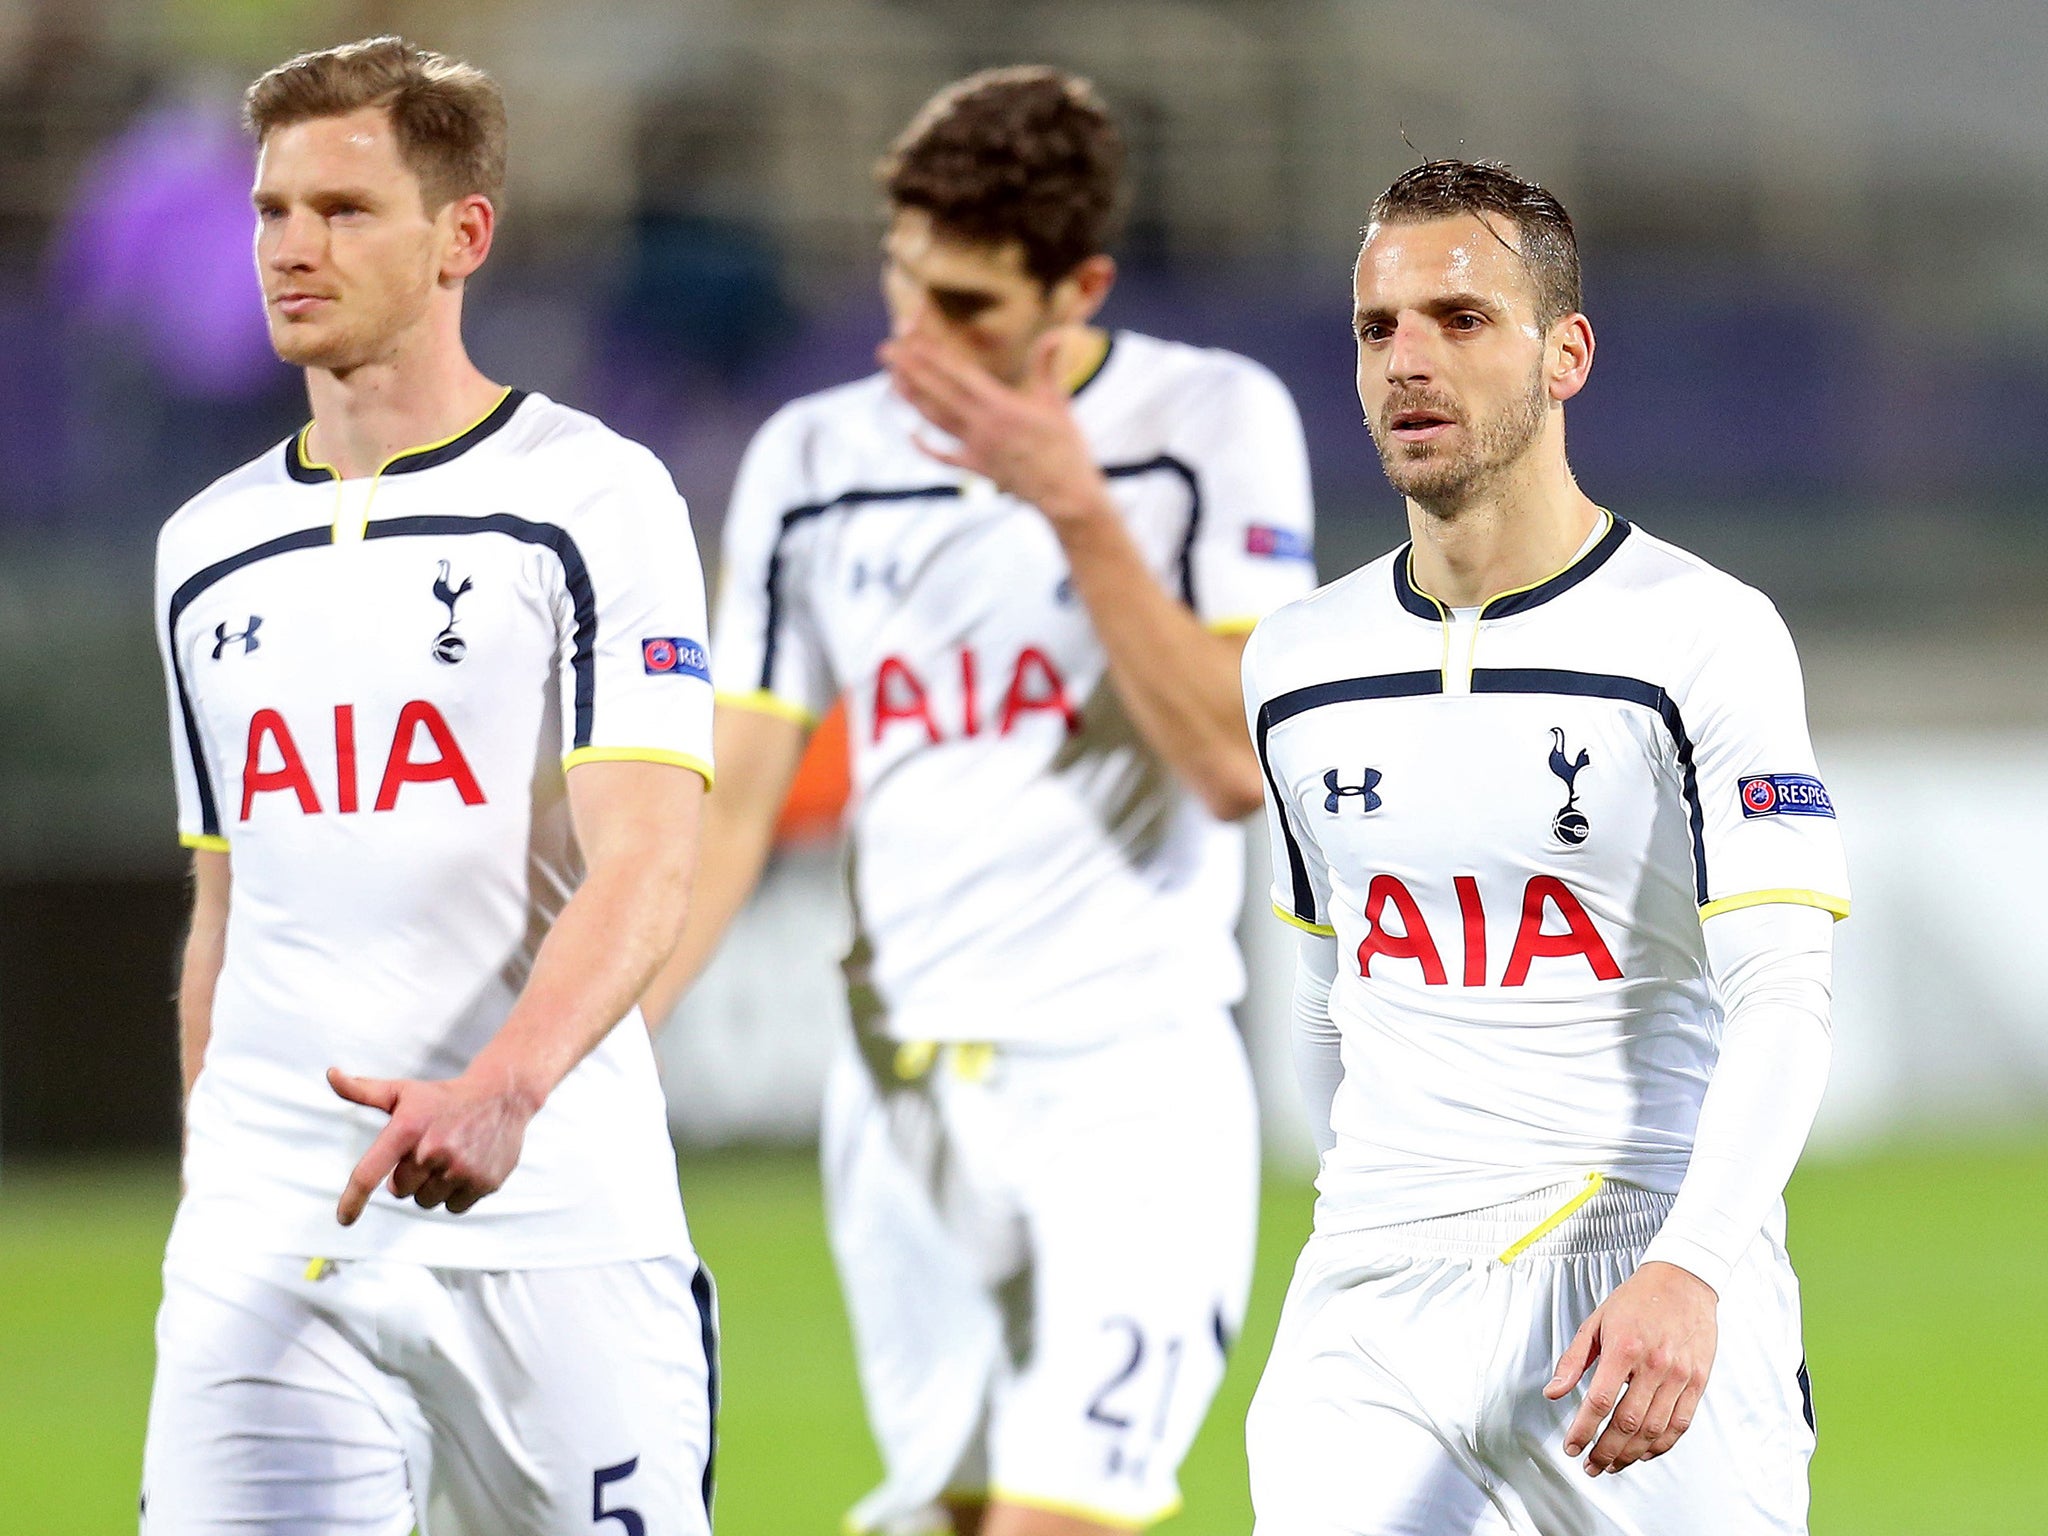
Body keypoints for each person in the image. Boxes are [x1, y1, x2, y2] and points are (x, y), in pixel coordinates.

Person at [640, 66, 1316, 1536]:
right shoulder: (812, 462)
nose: (917, 348)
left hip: (1127, 1084)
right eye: (902, 292)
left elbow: (1232, 762)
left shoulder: (1207, 425)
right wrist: (599, 1049)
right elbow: (732, 798)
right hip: (896, 1100)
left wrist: (1068, 501)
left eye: (968, 312)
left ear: (1079, 287)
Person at [144, 37, 718, 1535]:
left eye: (342, 210)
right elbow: (228, 901)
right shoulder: (202, 545)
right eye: (272, 212)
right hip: (272, 1246)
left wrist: (500, 1093)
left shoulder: (589, 497)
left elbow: (650, 853)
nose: (289, 248)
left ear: (462, 235)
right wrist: (221, 1183)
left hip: (548, 1226)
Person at [1240, 157, 1849, 1535]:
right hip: (1374, 1298)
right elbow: (1329, 990)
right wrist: (1379, 1194)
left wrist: (1695, 1268)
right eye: (1378, 326)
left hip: (1632, 1280)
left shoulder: (1698, 632)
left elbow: (1783, 994)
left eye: (1460, 320)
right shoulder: (1297, 662)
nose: (1409, 360)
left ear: (1564, 354)